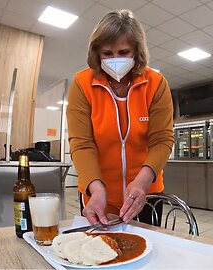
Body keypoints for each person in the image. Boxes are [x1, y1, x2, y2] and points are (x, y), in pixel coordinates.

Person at [67, 9, 174, 226]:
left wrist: (142, 183)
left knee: (146, 252)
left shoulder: (156, 83)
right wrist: (95, 188)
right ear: (96, 53)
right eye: (107, 53)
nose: (115, 59)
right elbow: (82, 144)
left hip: (145, 194)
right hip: (98, 195)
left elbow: (162, 140)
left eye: (123, 52)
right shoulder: (82, 84)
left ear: (136, 52)